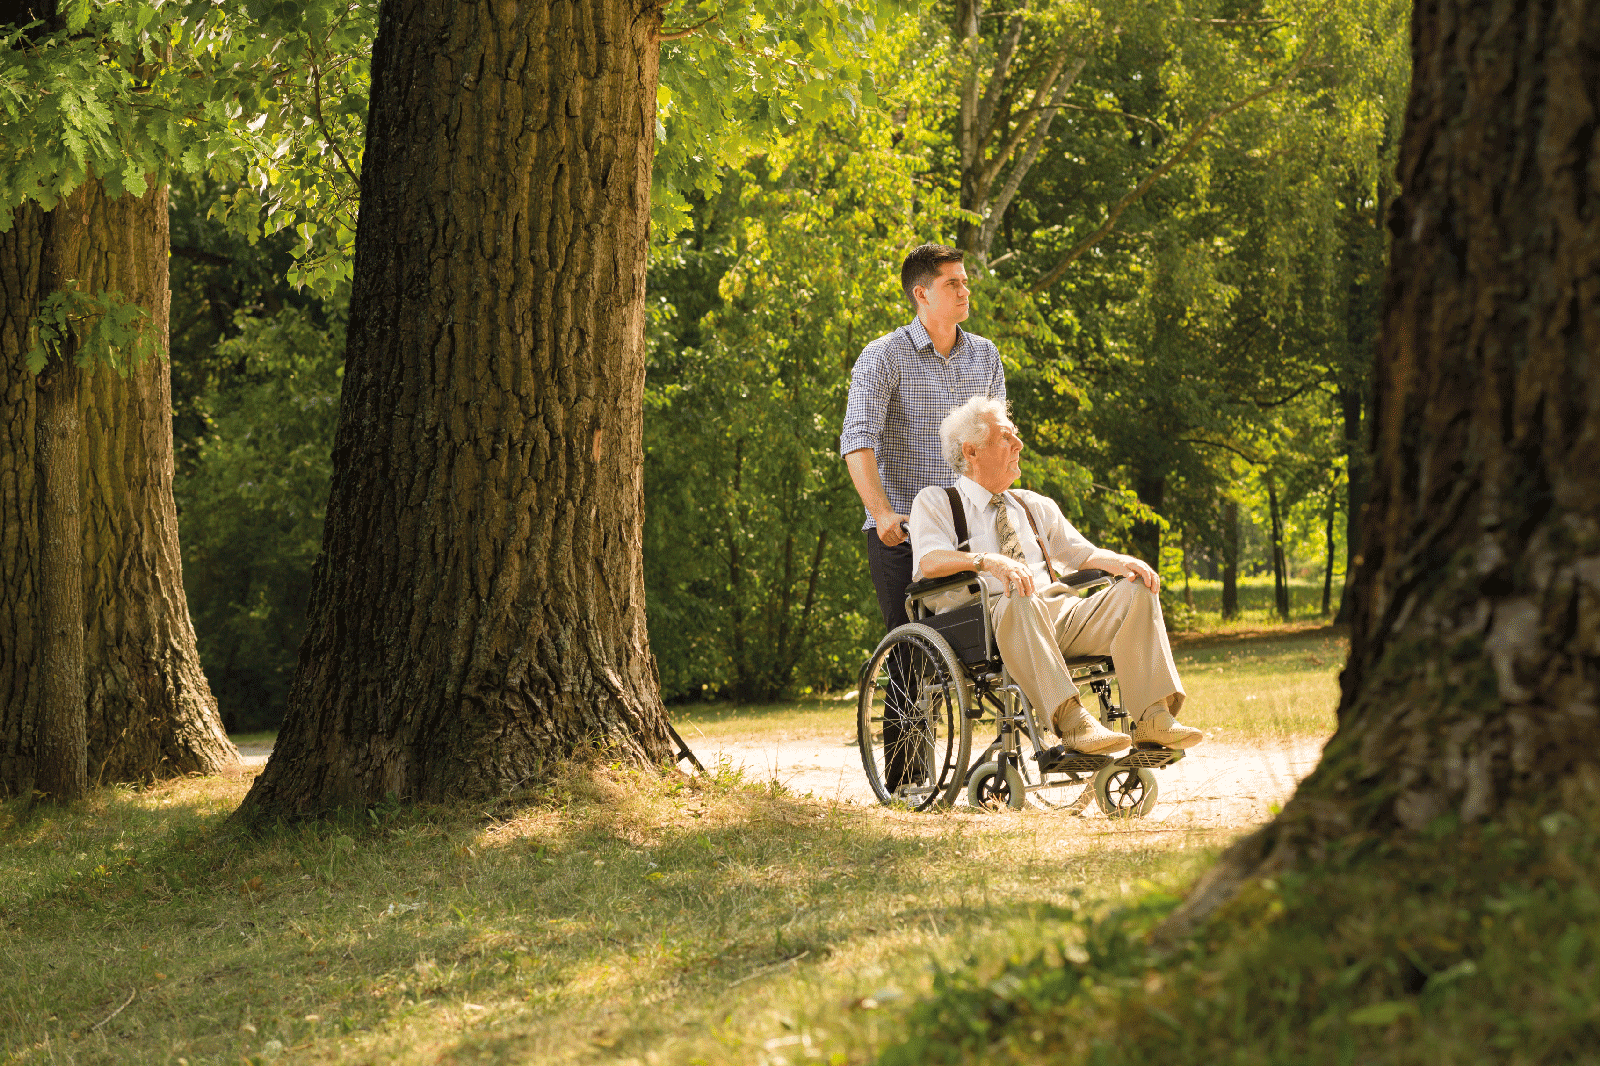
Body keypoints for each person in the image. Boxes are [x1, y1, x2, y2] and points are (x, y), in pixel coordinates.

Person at [908, 396, 1203, 754]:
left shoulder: (1033, 504)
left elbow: (1084, 553)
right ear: (971, 452)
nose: (1019, 444)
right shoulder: (936, 501)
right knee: (1017, 593)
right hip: (989, 624)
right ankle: (1073, 723)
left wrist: (1123, 562)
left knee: (1136, 590)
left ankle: (1154, 717)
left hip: (1057, 614)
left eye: (1014, 435)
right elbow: (930, 561)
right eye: (1005, 438)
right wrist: (989, 561)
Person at [840, 244, 1006, 637]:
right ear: (922, 293)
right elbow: (857, 439)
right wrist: (881, 514)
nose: (965, 291)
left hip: (971, 530)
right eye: (953, 284)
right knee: (912, 663)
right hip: (902, 533)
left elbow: (999, 444)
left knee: (991, 649)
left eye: (964, 282)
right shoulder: (883, 356)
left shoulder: (985, 355)